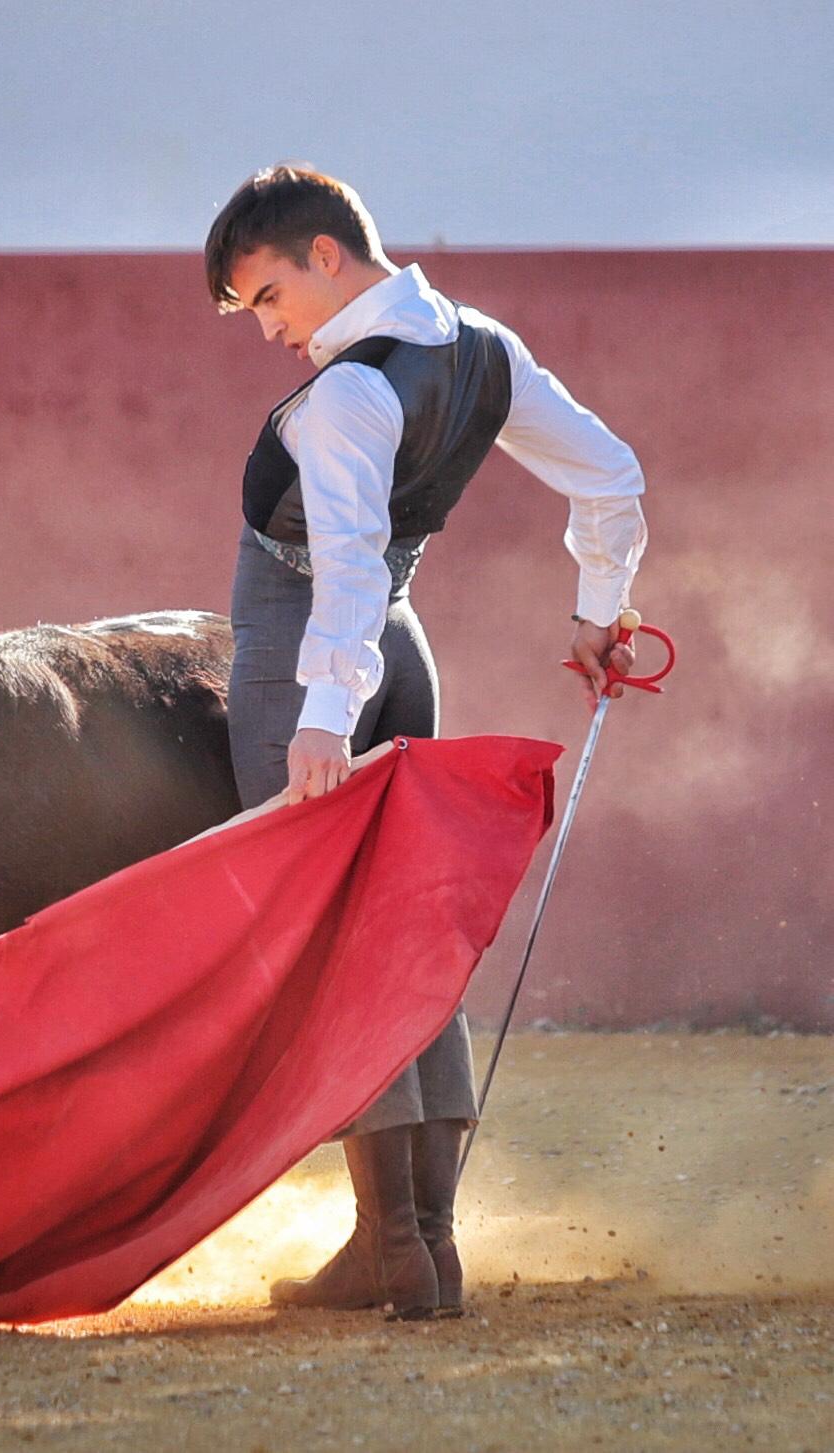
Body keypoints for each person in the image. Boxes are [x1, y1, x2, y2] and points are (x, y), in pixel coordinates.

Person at [203, 165, 647, 1320]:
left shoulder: (348, 391)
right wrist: (599, 610)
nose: (267, 329)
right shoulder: (484, 345)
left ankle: (389, 1248)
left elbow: (340, 566)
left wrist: (316, 718)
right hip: (407, 642)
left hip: (313, 644)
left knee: (333, 935)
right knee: (412, 929)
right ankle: (431, 1243)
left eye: (263, 297)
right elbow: (609, 471)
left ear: (322, 255)